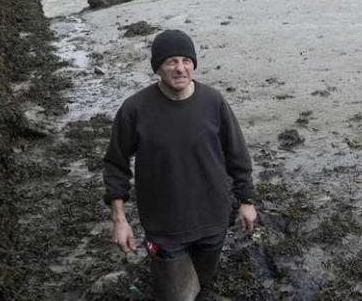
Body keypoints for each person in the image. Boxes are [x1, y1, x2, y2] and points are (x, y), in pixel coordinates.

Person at [103, 29, 257, 300]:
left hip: (214, 221)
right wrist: (119, 219)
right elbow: (116, 165)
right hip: (165, 227)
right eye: (171, 61)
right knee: (176, 296)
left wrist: (246, 200)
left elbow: (238, 156)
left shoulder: (214, 101)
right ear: (158, 68)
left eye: (186, 60)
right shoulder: (134, 109)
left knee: (202, 286)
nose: (180, 68)